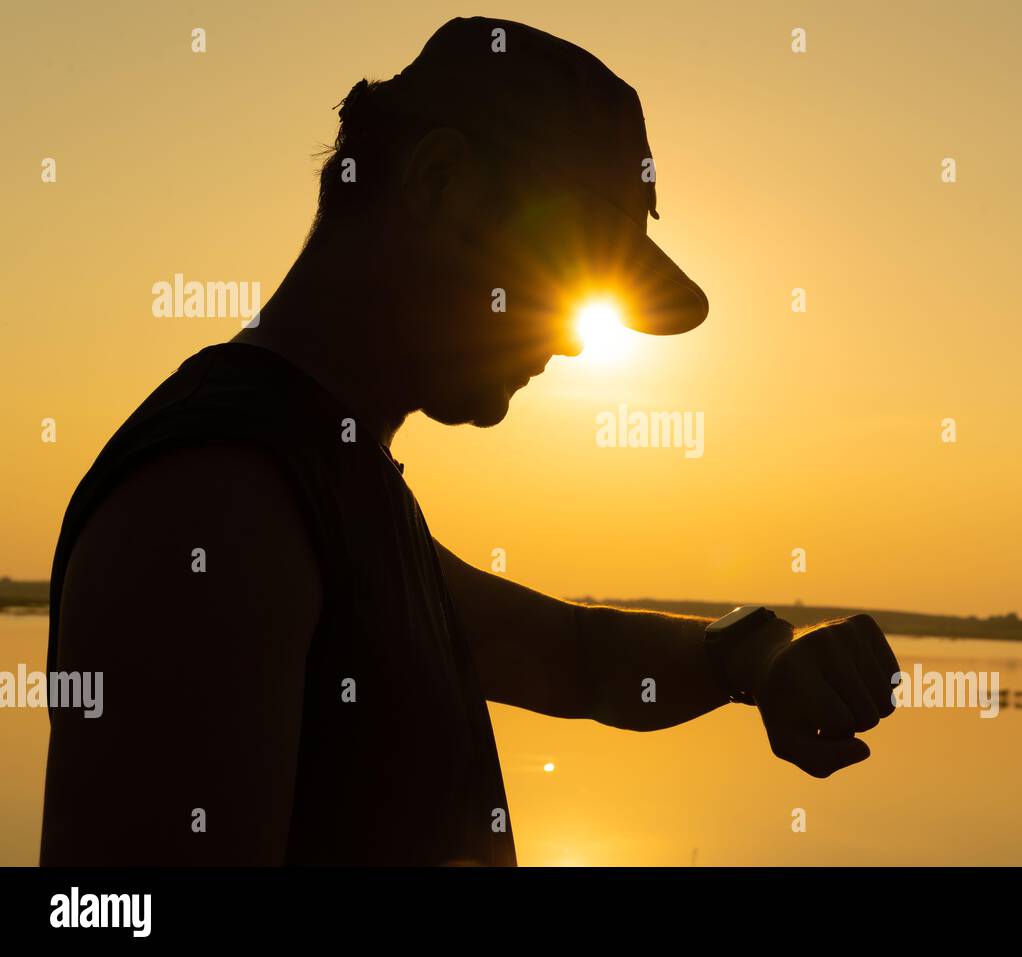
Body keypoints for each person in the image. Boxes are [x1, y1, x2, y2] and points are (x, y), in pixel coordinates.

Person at [40, 16, 898, 866]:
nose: (573, 339)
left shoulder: (332, 483)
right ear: (440, 179)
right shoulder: (215, 506)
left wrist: (757, 655)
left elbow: (580, 658)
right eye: (563, 271)